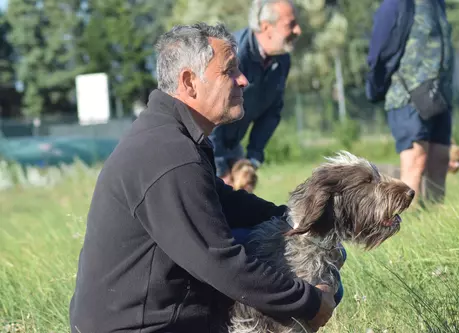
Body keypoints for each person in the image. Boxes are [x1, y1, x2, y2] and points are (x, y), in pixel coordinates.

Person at [69, 22, 337, 333]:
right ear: (189, 82)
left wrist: (301, 221)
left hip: (155, 316)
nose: (244, 80)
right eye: (230, 71)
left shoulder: (172, 136)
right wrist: (308, 303)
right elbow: (221, 261)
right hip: (142, 327)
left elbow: (227, 204)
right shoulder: (169, 155)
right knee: (305, 280)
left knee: (294, 251)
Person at [367, 0, 454, 203]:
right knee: (416, 159)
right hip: (407, 93)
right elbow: (378, 50)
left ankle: (435, 218)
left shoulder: (438, 4)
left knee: (440, 157)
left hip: (441, 92)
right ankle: (407, 221)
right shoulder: (397, 4)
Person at [209, 0, 302, 185]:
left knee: (243, 203)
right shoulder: (233, 55)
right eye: (290, 24)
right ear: (266, 27)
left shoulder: (282, 60)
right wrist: (220, 167)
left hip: (232, 146)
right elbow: (213, 113)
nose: (298, 30)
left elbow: (272, 112)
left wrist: (253, 158)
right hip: (205, 145)